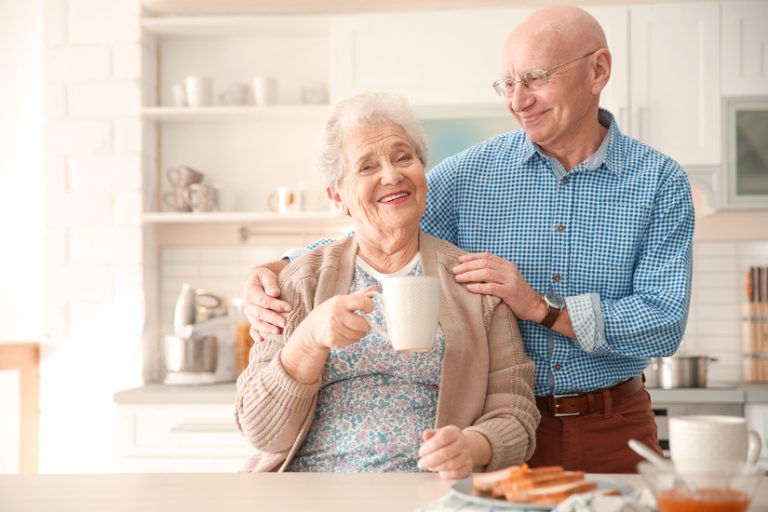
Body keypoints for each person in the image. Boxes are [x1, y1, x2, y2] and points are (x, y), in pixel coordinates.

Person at [242, 5, 694, 473]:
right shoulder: (469, 174)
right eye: (508, 84)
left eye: (536, 78)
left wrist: (541, 307)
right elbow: (381, 224)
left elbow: (662, 323)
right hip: (502, 431)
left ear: (598, 69)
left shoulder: (659, 183)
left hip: (610, 422)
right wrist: (281, 268)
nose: (519, 101)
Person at [234, 91, 540, 478]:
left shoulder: (473, 283)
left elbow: (515, 413)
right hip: (309, 491)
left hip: (428, 494)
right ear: (338, 197)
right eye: (366, 167)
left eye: (403, 158)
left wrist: (474, 446)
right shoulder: (300, 282)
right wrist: (309, 338)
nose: (392, 175)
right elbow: (261, 431)